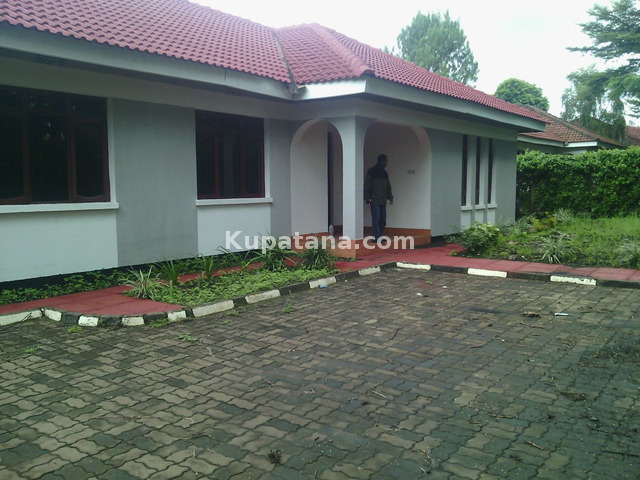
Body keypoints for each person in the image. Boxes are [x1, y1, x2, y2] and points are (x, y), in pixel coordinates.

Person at [364, 154, 393, 241]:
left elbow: (388, 186)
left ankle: (379, 236)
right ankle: (376, 237)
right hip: (374, 200)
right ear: (380, 161)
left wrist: (390, 197)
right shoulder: (371, 172)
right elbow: (367, 185)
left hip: (383, 200)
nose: (386, 163)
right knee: (376, 220)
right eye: (385, 161)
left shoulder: (385, 173)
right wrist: (367, 198)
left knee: (383, 220)